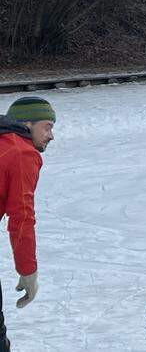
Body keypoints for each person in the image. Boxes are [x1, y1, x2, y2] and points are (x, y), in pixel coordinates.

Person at [0, 97, 55, 349]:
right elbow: (21, 218)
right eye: (47, 126)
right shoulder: (21, 152)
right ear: (27, 124)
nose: (51, 135)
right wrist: (28, 270)